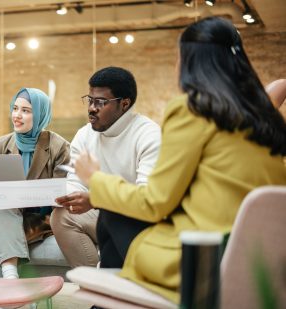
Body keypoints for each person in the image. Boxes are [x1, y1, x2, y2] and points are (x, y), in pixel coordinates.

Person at [74, 17, 286, 303]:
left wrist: (94, 179)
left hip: (204, 259)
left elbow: (154, 203)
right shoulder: (265, 117)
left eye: (178, 57)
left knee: (112, 212)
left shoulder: (191, 110)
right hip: (263, 261)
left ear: (189, 62)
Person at [51, 67, 161, 268]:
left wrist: (97, 200)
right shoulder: (84, 135)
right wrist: (61, 197)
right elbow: (76, 183)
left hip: (138, 220)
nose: (92, 108)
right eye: (90, 100)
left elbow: (146, 197)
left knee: (113, 215)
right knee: (61, 216)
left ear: (124, 104)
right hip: (102, 215)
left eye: (101, 102)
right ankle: (96, 285)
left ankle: (116, 288)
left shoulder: (148, 134)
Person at [0, 88, 70, 279]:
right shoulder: (2, 143)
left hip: (41, 216)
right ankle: (14, 287)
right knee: (2, 206)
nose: (17, 115)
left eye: (25, 110)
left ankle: (5, 294)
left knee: (2, 239)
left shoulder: (59, 146)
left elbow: (61, 194)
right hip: (7, 212)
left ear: (40, 114)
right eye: (15, 108)